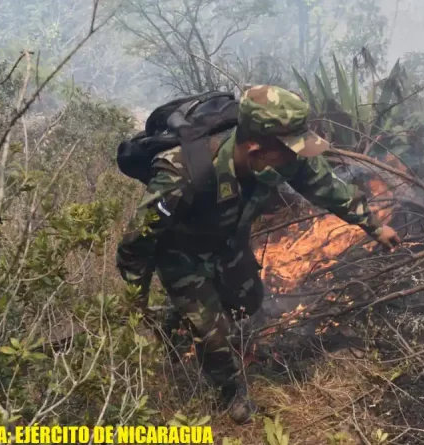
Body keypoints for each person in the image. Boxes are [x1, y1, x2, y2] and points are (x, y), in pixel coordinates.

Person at [116, 85, 402, 424]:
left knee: (248, 302)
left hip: (227, 243)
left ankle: (175, 318)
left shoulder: (279, 156)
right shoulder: (181, 172)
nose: (296, 158)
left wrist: (373, 225)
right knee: (214, 334)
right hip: (182, 256)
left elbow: (325, 187)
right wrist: (136, 303)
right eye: (290, 150)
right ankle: (231, 394)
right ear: (255, 148)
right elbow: (138, 242)